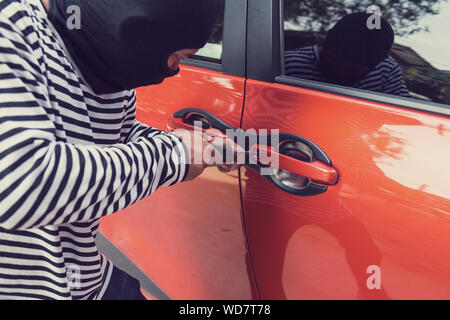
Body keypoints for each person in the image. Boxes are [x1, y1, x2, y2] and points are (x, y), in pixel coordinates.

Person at [0, 0, 234, 300]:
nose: (176, 70)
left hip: (85, 279)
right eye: (177, 57)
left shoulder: (109, 72)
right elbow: (22, 184)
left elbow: (118, 134)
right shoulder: (12, 31)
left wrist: (201, 145)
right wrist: (176, 154)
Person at [285, 12, 411, 97]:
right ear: (324, 47)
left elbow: (401, 116)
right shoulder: (287, 65)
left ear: (375, 66)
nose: (341, 73)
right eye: (334, 63)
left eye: (353, 71)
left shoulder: (386, 71)